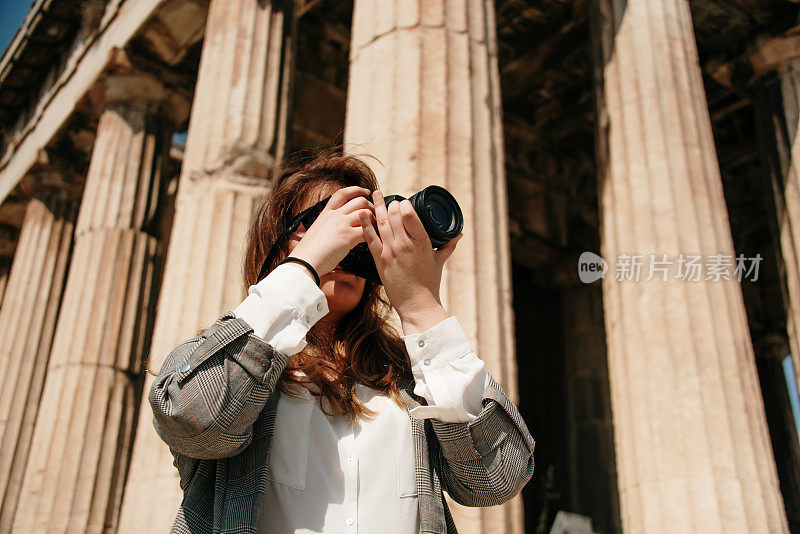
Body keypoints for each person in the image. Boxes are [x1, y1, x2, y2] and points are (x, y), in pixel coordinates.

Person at [149, 153, 535, 534]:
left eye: (362, 230)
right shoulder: (220, 359)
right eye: (324, 226)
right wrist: (306, 264)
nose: (347, 246)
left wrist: (422, 308)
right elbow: (192, 421)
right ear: (278, 242)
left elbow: (496, 479)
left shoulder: (416, 380)